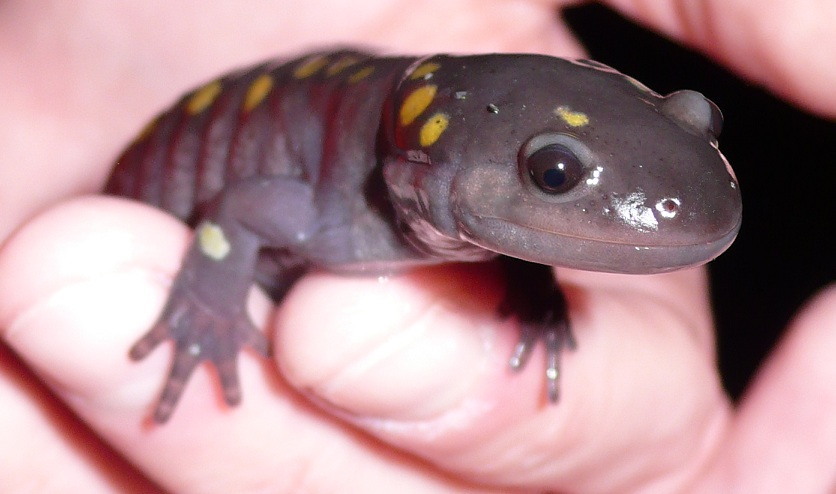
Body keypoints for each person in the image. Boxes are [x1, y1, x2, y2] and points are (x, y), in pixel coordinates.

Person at [0, 1, 833, 492]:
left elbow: (504, 218)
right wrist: (208, 305)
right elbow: (239, 211)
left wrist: (535, 290)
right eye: (555, 173)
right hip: (141, 207)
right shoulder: (331, 207)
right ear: (417, 174)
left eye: (698, 120)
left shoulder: (450, 180)